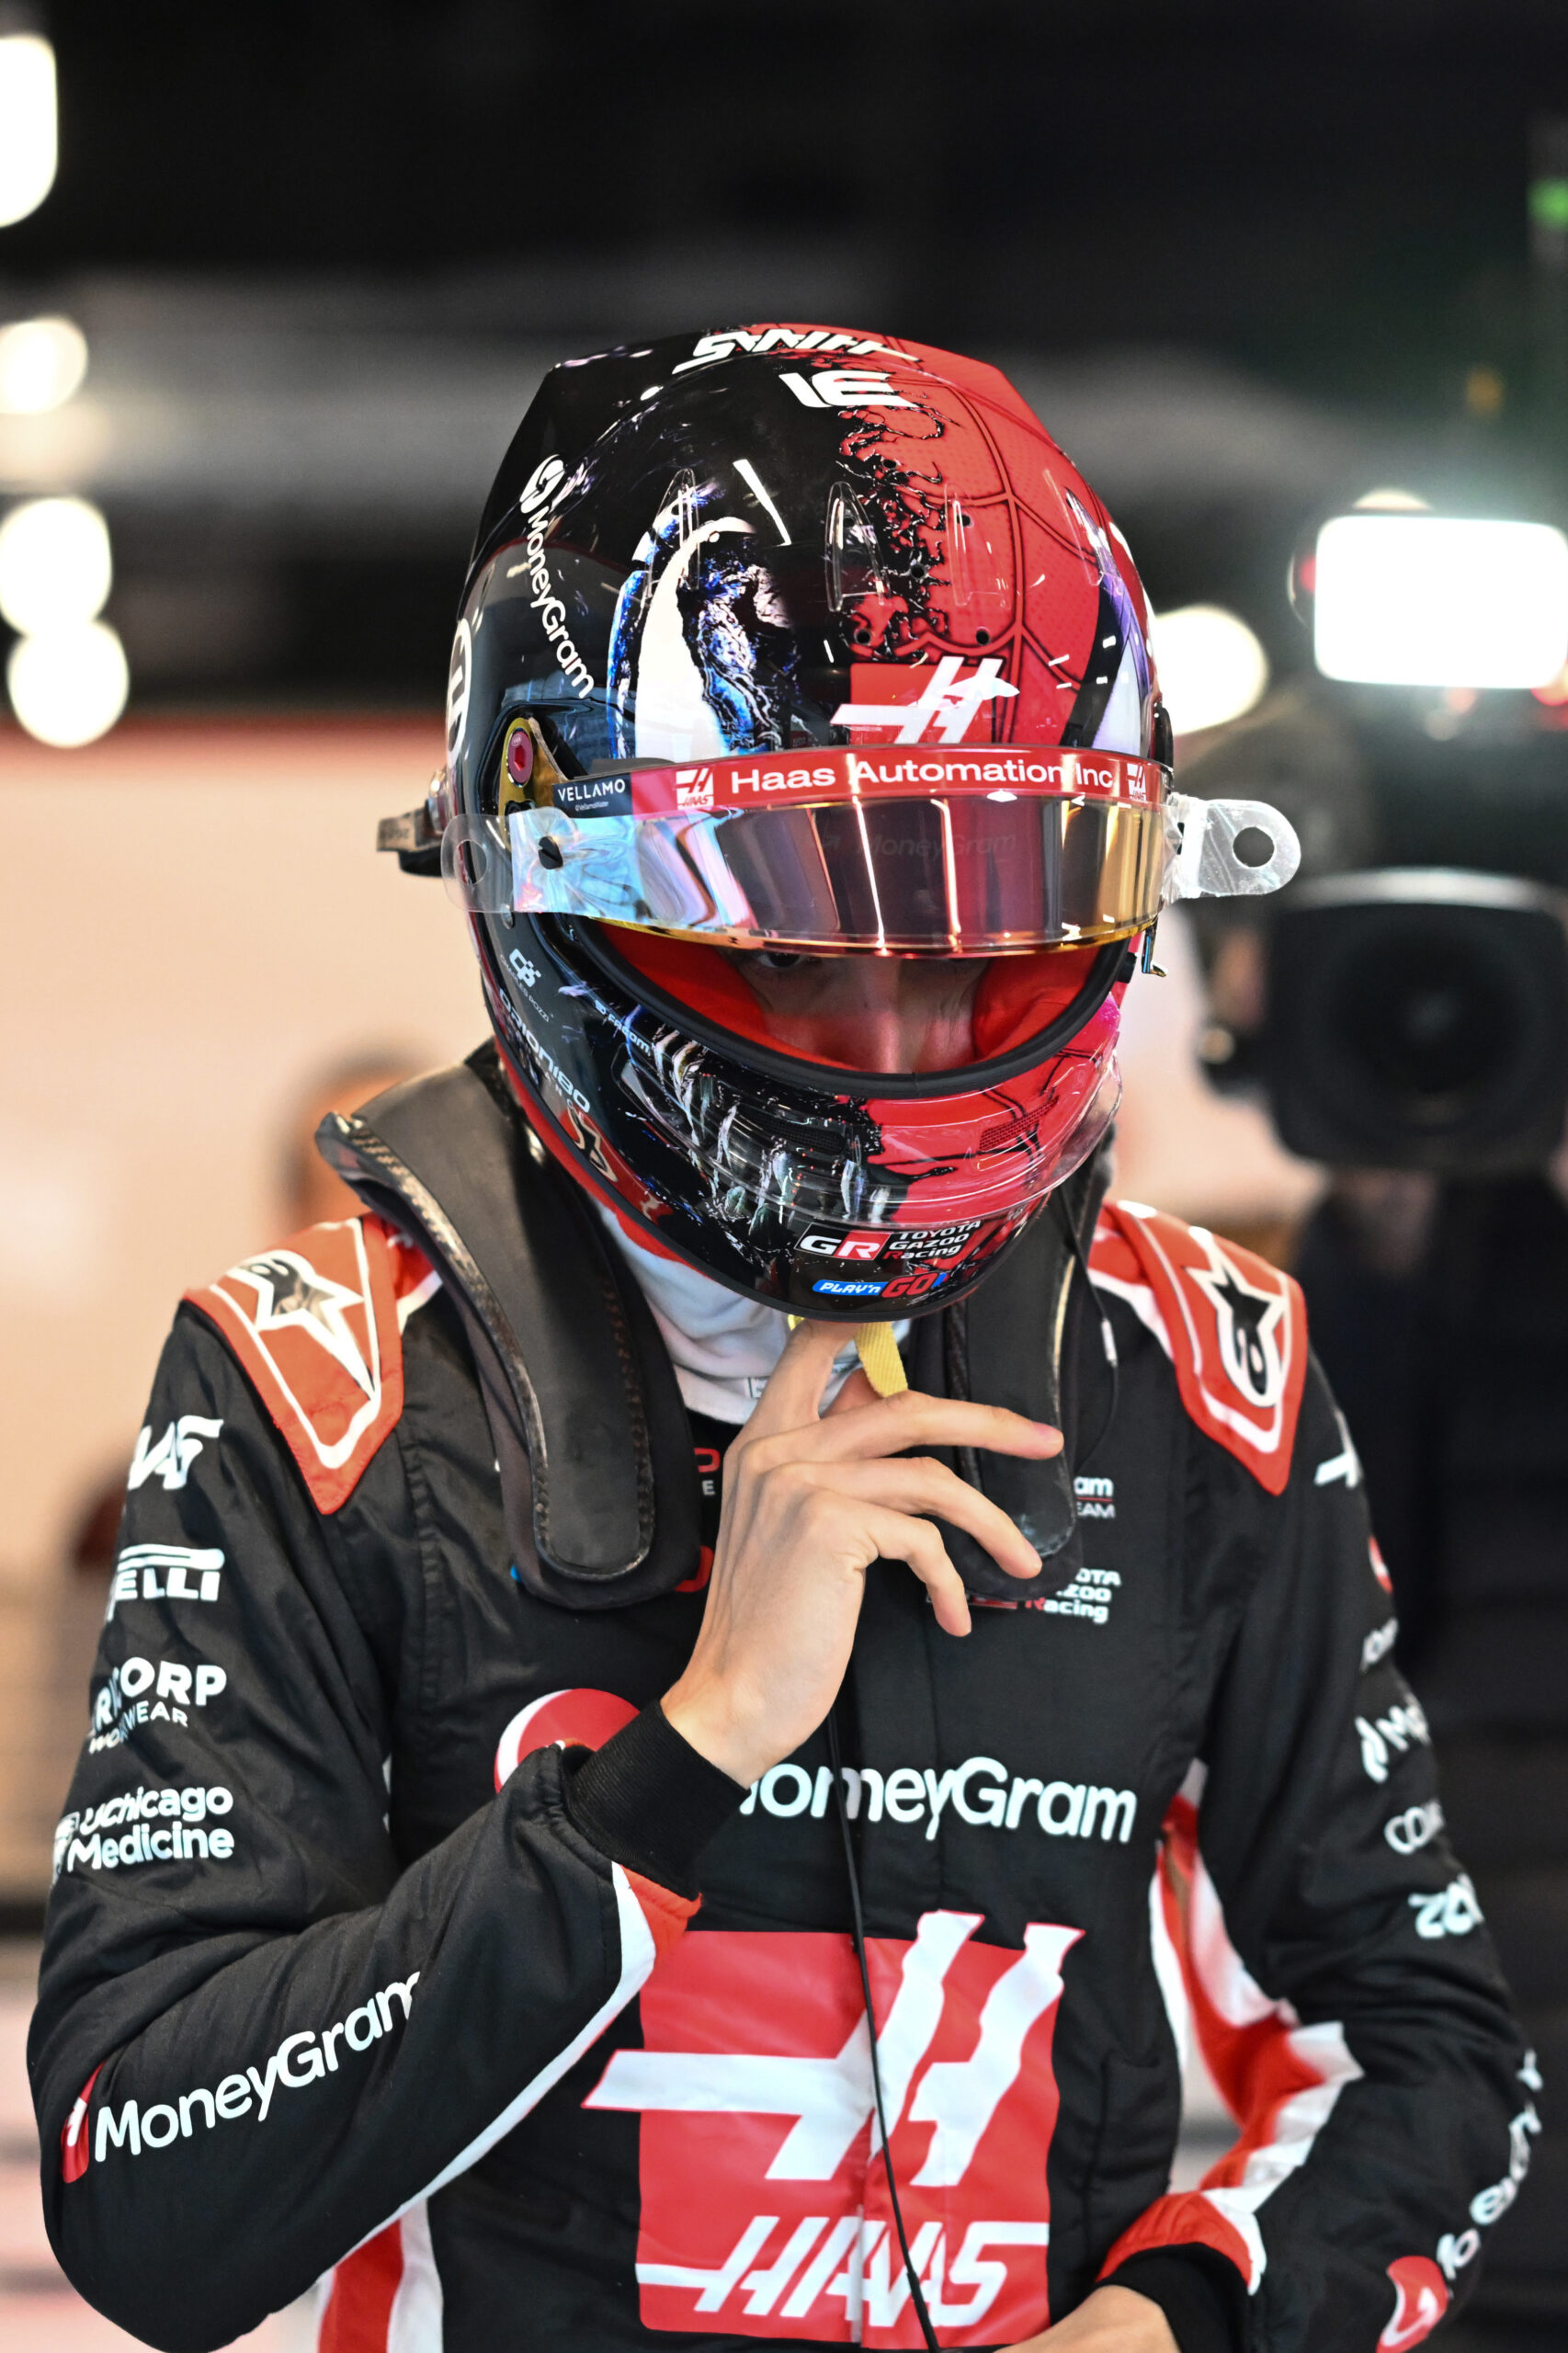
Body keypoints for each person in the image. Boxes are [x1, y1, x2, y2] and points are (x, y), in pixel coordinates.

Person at [28, 328, 1528, 2353]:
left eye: (992, 918)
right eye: (803, 931)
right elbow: (154, 2196)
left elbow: (1430, 2052)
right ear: (550, 868)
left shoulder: (1207, 1372)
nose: (907, 1026)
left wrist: (1179, 2320)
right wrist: (693, 1742)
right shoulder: (313, 1382)